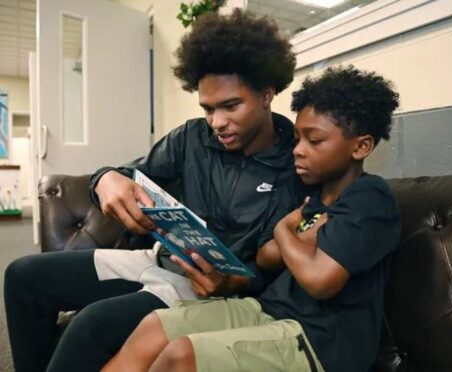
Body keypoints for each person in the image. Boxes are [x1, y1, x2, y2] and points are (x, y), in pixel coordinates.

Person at [4, 10, 297, 372]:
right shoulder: (191, 137)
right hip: (159, 259)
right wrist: (107, 178)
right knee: (23, 276)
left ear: (267, 94)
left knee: (92, 324)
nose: (217, 122)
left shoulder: (298, 162)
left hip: (212, 290)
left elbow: (282, 266)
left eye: (230, 106)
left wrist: (235, 280)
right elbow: (131, 173)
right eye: (208, 109)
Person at [101, 65, 402, 372]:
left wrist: (286, 231)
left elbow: (319, 281)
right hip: (268, 310)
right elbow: (265, 256)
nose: (297, 151)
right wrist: (293, 237)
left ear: (361, 146)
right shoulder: (313, 198)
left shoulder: (369, 196)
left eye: (314, 141)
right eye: (297, 139)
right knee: (154, 328)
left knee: (182, 354)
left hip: (320, 340)